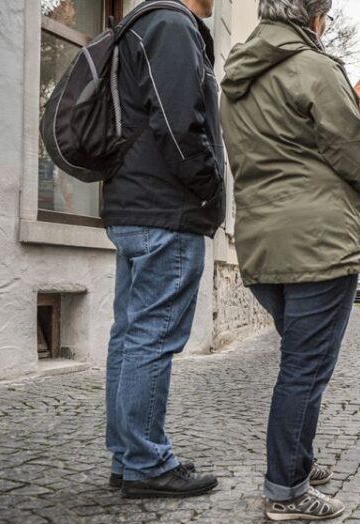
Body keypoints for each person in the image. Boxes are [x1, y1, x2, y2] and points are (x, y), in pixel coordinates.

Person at [220, 0, 360, 521]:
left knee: (300, 359)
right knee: (305, 368)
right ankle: (286, 489)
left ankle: (298, 460)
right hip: (318, 240)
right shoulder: (314, 68)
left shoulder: (237, 79)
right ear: (312, 17)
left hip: (261, 241)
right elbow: (357, 153)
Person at [103, 0, 223, 498]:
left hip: (133, 204)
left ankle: (128, 456)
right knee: (151, 338)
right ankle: (147, 463)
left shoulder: (141, 23)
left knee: (129, 336)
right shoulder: (172, 25)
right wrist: (207, 186)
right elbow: (178, 123)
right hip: (164, 209)